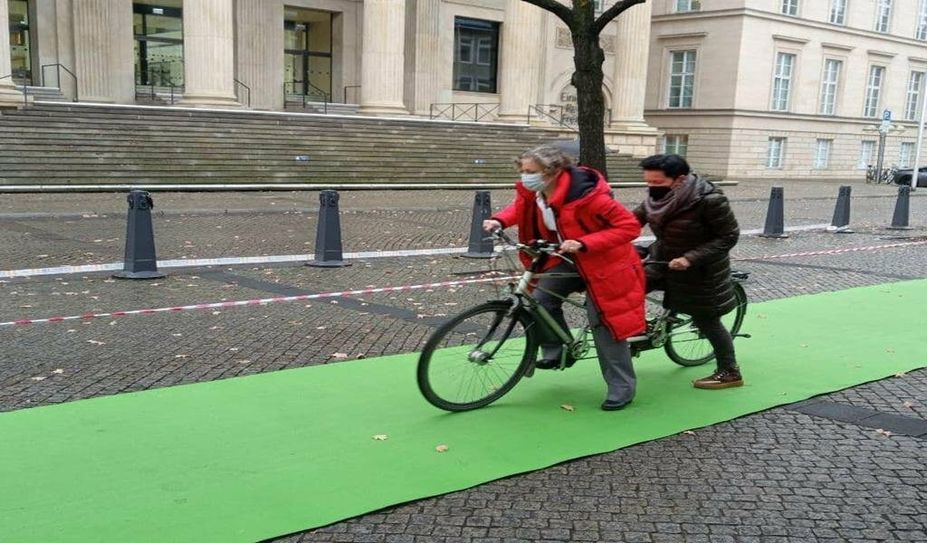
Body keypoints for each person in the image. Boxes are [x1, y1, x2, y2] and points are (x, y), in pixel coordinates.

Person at [482, 145, 646, 411]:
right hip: (565, 258)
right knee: (539, 300)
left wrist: (584, 242)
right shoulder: (534, 191)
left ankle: (622, 387)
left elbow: (629, 226)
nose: (525, 176)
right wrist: (499, 220)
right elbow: (520, 208)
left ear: (553, 171)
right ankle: (557, 350)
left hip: (606, 263)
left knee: (604, 323)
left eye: (531, 171)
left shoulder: (590, 197)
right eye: (523, 171)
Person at [633, 154, 743, 389]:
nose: (651, 188)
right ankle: (638, 328)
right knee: (630, 285)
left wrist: (690, 258)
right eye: (648, 182)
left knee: (706, 320)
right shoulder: (655, 199)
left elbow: (728, 236)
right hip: (663, 260)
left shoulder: (709, 200)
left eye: (657, 183)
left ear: (680, 179)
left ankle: (730, 371)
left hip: (702, 270)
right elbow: (631, 221)